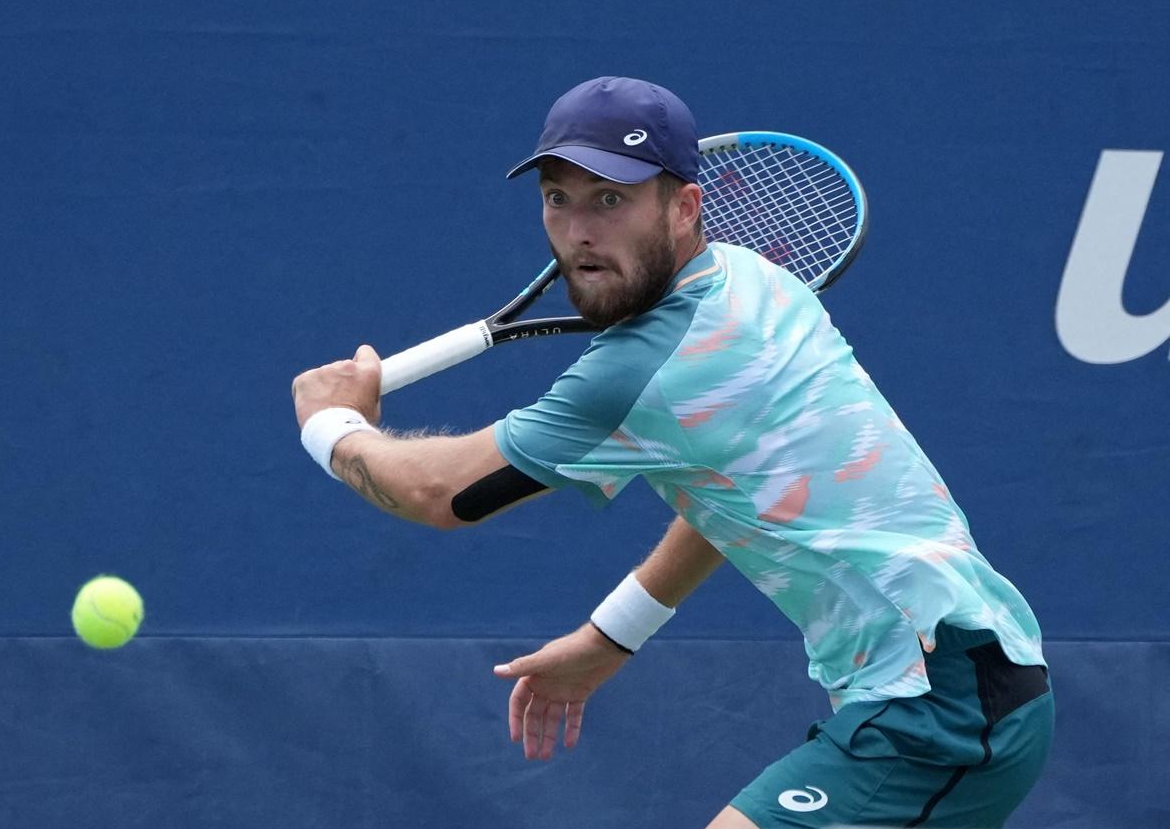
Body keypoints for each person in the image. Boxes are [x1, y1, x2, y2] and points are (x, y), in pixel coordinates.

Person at [291, 76, 1054, 828]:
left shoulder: (642, 368)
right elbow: (735, 491)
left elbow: (442, 496)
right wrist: (611, 635)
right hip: (963, 680)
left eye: (611, 200)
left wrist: (332, 427)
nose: (581, 232)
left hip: (939, 707)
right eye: (559, 199)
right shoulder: (756, 279)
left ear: (685, 207)